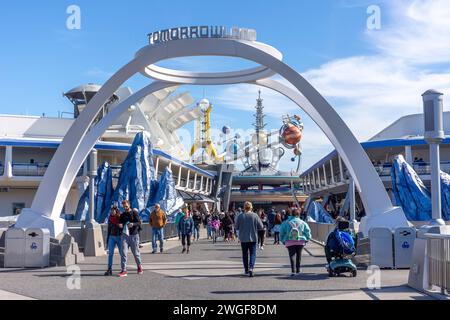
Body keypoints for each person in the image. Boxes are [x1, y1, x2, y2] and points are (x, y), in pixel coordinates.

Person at [235, 201, 264, 277]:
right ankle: (251, 267)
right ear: (251, 207)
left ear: (244, 207)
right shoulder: (255, 215)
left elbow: (236, 226)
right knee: (252, 254)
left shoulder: (240, 216)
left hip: (243, 238)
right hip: (253, 237)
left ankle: (246, 269)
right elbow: (261, 226)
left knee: (244, 254)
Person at [280, 209, 311, 277]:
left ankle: (293, 271)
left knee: (292, 256)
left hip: (289, 241)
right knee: (299, 255)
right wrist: (307, 238)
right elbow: (307, 231)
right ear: (298, 214)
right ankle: (298, 270)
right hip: (300, 241)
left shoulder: (286, 222)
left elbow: (281, 232)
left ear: (291, 214)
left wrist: (282, 240)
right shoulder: (302, 222)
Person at [118, 200, 143, 277]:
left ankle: (139, 267)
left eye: (126, 206)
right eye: (124, 206)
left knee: (136, 253)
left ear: (129, 205)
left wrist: (133, 224)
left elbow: (139, 222)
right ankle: (124, 270)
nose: (125, 207)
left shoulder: (134, 213)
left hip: (134, 235)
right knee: (123, 253)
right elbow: (120, 223)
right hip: (125, 235)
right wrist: (120, 225)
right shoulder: (122, 215)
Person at [104, 206, 124, 276]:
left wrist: (121, 226)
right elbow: (109, 230)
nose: (112, 212)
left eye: (113, 211)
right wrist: (107, 241)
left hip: (119, 237)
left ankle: (123, 269)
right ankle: (109, 269)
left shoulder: (120, 217)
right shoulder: (110, 218)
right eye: (111, 210)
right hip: (111, 237)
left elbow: (124, 227)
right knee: (110, 254)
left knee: (122, 253)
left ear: (116, 211)